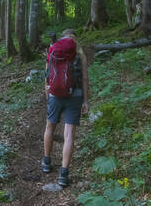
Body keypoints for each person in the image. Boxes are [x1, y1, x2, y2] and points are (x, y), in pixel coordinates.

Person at [42, 29, 91, 187]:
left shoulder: (54, 49)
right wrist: (85, 100)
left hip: (54, 94)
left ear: (63, 36)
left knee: (50, 127)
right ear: (75, 38)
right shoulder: (79, 52)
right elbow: (84, 77)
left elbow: (47, 73)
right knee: (69, 134)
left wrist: (47, 93)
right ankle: (63, 175)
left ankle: (46, 162)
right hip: (75, 95)